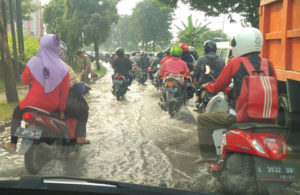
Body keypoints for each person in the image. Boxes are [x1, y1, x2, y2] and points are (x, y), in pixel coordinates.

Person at [196, 27, 277, 162]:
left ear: (240, 43)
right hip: (268, 119)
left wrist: (207, 86)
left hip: (242, 117)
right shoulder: (268, 64)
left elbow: (218, 86)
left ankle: (208, 155)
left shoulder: (235, 62)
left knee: (202, 120)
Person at [0, 34, 69, 153]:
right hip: (52, 106)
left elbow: (24, 80)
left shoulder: (34, 62)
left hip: (31, 104)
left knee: (17, 112)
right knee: (63, 122)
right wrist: (62, 109)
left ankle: (13, 144)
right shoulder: (63, 68)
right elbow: (64, 93)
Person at [59, 41, 90, 144]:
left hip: (39, 104)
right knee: (83, 110)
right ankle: (80, 138)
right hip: (60, 103)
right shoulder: (64, 68)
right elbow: (77, 88)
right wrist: (85, 88)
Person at [193, 40, 225, 108]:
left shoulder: (201, 58)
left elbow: (196, 73)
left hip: (203, 82)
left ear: (205, 49)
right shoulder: (221, 60)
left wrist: (194, 83)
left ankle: (198, 100)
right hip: (216, 84)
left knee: (197, 86)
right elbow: (224, 75)